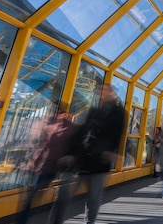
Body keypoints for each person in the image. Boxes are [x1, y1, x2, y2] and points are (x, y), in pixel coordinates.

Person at [62, 84, 125, 224]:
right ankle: (60, 219)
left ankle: (89, 221)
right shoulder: (94, 111)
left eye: (106, 91)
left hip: (100, 161)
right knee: (68, 194)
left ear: (112, 93)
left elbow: (117, 135)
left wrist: (111, 151)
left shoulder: (118, 113)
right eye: (101, 91)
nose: (103, 93)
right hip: (85, 159)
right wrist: (72, 153)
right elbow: (81, 132)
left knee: (94, 196)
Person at [17, 107, 78, 224]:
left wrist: (71, 157)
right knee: (31, 196)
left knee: (62, 198)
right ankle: (22, 221)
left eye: (58, 113)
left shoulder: (73, 128)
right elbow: (42, 146)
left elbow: (78, 147)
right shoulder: (47, 126)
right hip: (46, 166)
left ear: (64, 114)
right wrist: (32, 162)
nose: (54, 116)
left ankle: (56, 221)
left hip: (64, 168)